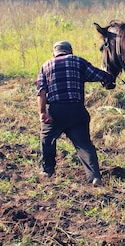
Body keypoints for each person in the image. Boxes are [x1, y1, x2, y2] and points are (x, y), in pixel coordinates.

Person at [37, 40, 115, 186]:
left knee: (47, 139)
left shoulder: (46, 65)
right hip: (76, 111)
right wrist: (110, 78)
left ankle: (47, 170)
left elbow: (41, 91)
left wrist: (42, 112)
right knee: (84, 145)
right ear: (70, 51)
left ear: (54, 53)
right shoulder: (78, 62)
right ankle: (94, 176)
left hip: (56, 110)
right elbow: (99, 75)